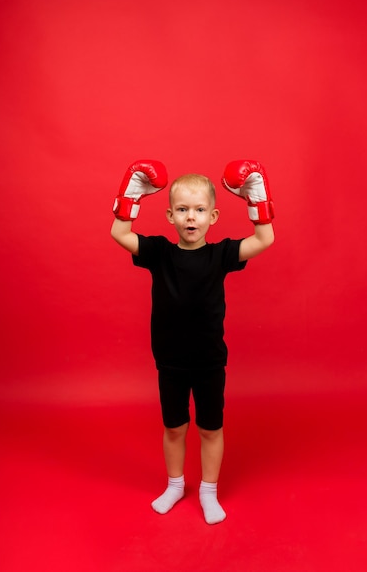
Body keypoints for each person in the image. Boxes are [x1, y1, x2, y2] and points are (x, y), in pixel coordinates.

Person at [110, 159, 275, 524]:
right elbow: (120, 235)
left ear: (213, 217)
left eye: (199, 210)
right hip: (169, 360)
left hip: (209, 361)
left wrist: (257, 199)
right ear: (169, 216)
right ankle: (175, 485)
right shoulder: (160, 253)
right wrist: (131, 195)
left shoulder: (221, 255)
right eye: (182, 210)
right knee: (174, 426)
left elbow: (265, 239)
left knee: (210, 428)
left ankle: (209, 492)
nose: (191, 217)